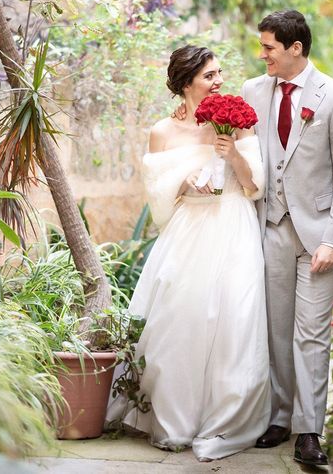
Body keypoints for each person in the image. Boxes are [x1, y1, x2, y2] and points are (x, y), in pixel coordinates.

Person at [106, 45, 270, 462]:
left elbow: (255, 187)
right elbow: (158, 193)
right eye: (209, 76)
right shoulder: (163, 131)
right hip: (188, 231)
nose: (218, 82)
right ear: (186, 82)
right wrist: (185, 184)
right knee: (181, 321)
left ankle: (224, 418)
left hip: (233, 226)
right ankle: (175, 420)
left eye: (219, 73)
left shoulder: (239, 122)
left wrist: (232, 153)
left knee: (235, 319)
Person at [245, 10, 333, 468]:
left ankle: (309, 431)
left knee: (311, 335)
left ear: (296, 48)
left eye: (270, 47)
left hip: (318, 237)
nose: (263, 55)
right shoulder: (254, 91)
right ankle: (279, 417)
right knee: (276, 331)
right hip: (270, 227)